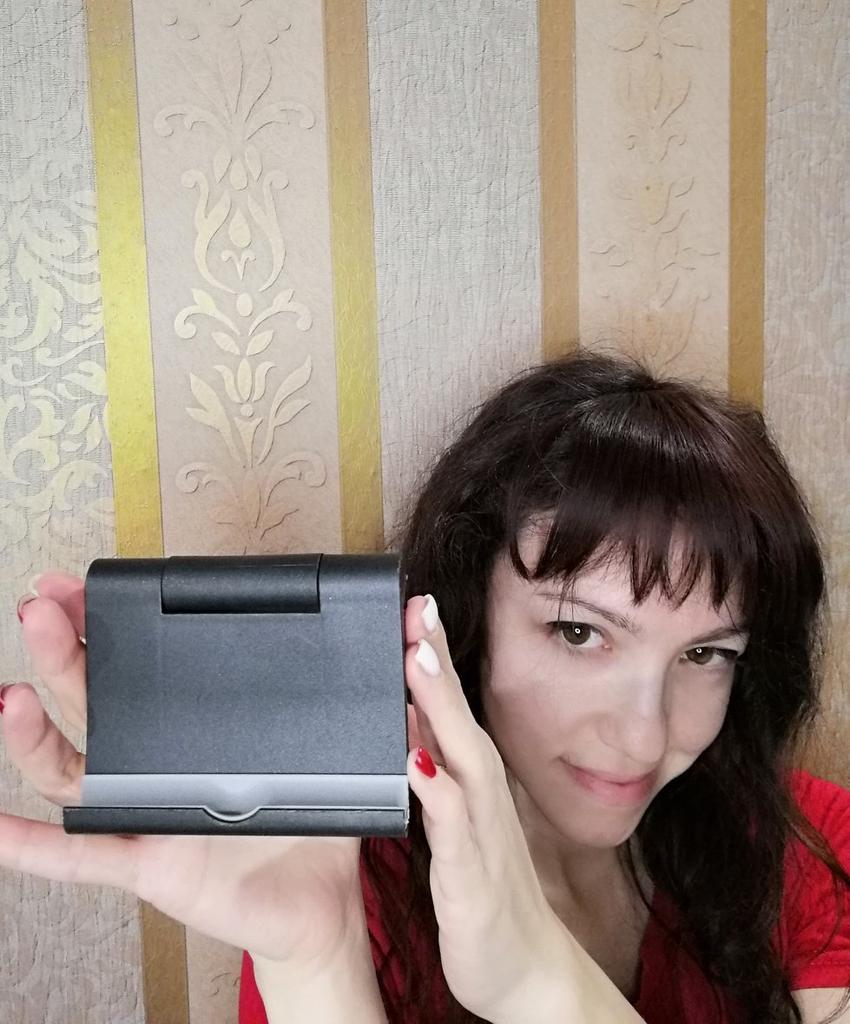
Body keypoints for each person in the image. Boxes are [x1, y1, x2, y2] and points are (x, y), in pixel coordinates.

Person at [3, 350, 849, 1023]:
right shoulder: (342, 884)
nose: (643, 734)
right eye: (579, 633)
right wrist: (318, 963)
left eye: (706, 655)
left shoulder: (810, 849)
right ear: (468, 611)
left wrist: (541, 987)